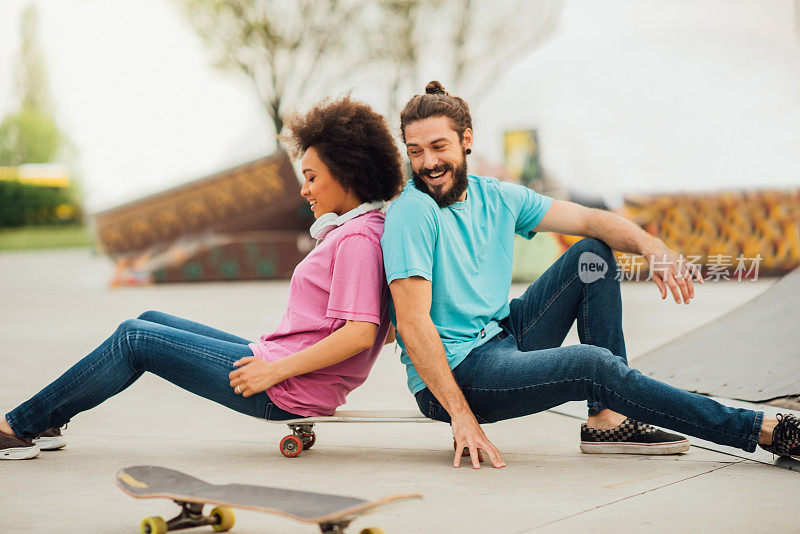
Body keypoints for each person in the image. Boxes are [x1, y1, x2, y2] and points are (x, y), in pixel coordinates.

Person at [381, 80, 800, 469]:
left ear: (466, 140)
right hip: (457, 374)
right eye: (416, 151)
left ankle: (607, 421)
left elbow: (589, 220)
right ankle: (758, 428)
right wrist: (462, 417)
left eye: (438, 147)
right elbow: (413, 326)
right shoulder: (412, 214)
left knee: (591, 256)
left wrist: (651, 247)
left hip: (503, 337)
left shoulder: (497, 196)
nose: (428, 163)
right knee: (593, 365)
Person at [0, 96, 404, 460]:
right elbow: (378, 327)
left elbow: (361, 334)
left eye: (312, 177)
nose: (305, 190)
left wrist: (278, 371)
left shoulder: (356, 239)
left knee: (134, 337)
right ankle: (50, 418)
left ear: (348, 174)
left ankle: (18, 427)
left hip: (286, 388)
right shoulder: (360, 230)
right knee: (151, 319)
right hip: (286, 371)